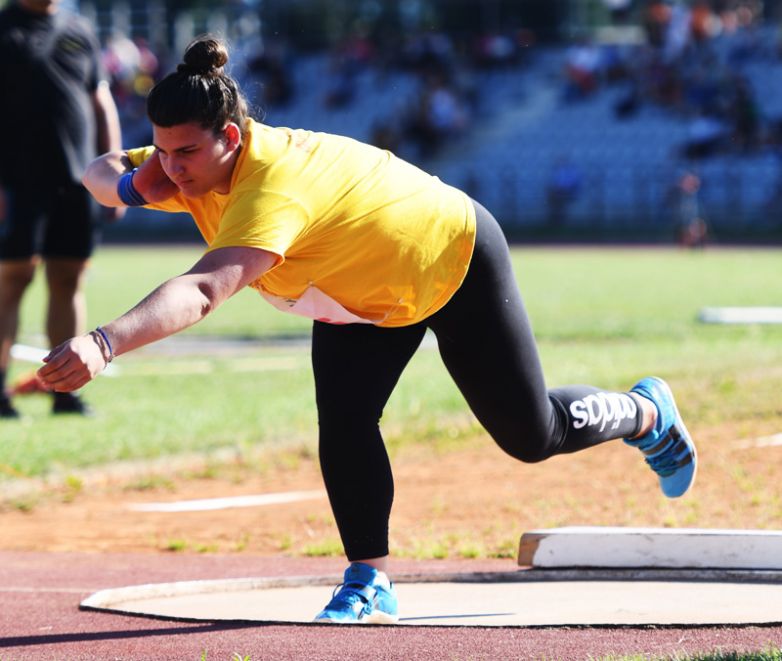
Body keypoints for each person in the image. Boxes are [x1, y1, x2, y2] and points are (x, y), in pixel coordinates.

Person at [38, 36, 698, 624]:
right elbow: (100, 170)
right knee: (346, 422)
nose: (174, 167)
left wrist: (104, 341)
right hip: (357, 294)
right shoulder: (186, 157)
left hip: (448, 257)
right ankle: (370, 579)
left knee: (532, 436)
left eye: (185, 153)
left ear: (232, 138)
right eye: (163, 150)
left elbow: (206, 289)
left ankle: (646, 411)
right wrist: (136, 183)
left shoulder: (272, 188)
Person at [0, 0, 123, 418]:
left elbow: (101, 101)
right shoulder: (4, 29)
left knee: (68, 278)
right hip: (16, 184)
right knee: (12, 279)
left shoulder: (79, 30)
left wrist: (117, 175)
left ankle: (65, 392)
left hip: (76, 182)